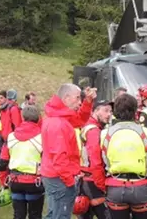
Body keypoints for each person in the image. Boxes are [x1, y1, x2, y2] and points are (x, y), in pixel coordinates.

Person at [99, 93, 147, 219]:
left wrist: (104, 184)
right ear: (135, 111)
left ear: (115, 111)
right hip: (141, 186)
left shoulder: (104, 134)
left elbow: (96, 163)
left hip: (115, 186)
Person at [40, 83, 94, 219]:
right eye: (77, 98)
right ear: (66, 98)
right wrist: (69, 182)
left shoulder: (57, 117)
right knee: (60, 215)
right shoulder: (58, 123)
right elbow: (59, 157)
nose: (79, 102)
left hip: (53, 175)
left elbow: (80, 119)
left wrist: (88, 102)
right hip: (59, 178)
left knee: (54, 213)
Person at [0, 106, 45, 219]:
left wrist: (3, 182)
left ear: (22, 118)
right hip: (35, 183)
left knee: (18, 215)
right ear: (39, 118)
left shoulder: (11, 137)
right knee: (35, 215)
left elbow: (3, 162)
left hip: (15, 181)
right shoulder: (42, 137)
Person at [78, 99, 113, 219]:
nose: (109, 114)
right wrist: (102, 184)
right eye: (106, 110)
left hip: (85, 178)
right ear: (96, 111)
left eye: (111, 111)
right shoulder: (94, 131)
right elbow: (95, 160)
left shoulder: (89, 126)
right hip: (92, 180)